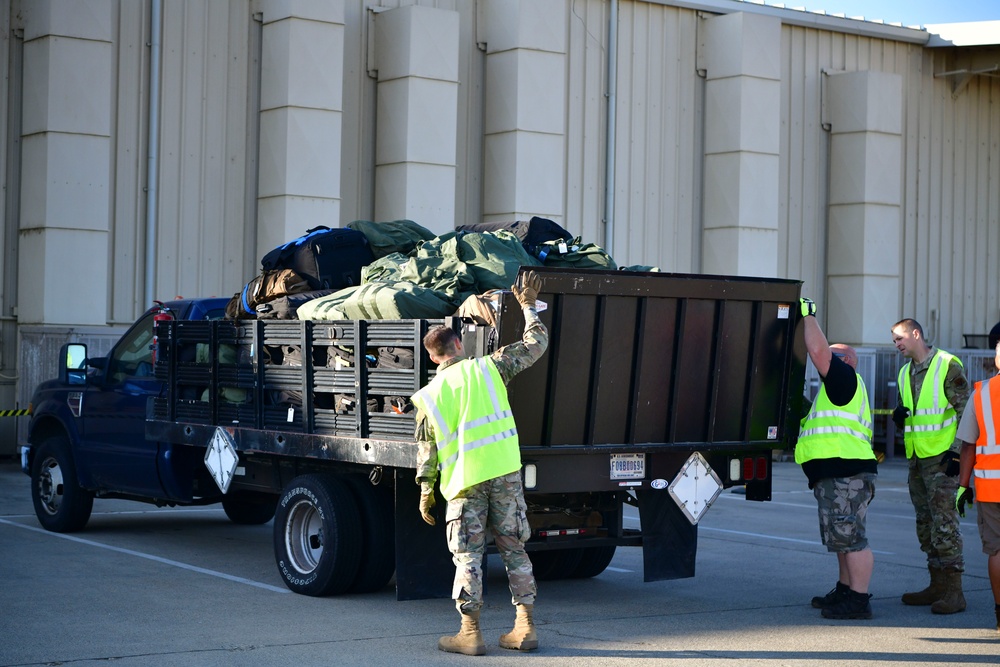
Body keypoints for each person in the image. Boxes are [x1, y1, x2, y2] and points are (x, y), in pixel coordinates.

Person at [411, 270, 548, 656]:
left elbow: (427, 449)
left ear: (433, 356)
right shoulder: (491, 367)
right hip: (505, 473)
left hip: (464, 483)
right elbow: (536, 343)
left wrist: (425, 491)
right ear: (459, 344)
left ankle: (469, 633)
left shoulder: (429, 396)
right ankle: (524, 628)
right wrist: (528, 306)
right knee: (514, 550)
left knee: (469, 556)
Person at [796, 297, 878, 619]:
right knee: (842, 537)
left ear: (844, 360)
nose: (823, 360)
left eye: (833, 355)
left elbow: (818, 351)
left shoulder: (843, 380)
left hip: (847, 474)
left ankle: (858, 600)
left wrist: (808, 316)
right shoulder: (836, 392)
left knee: (852, 538)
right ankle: (845, 591)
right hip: (840, 474)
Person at [891, 318, 971, 614]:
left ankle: (954, 592)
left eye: (900, 338)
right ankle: (936, 584)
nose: (897, 345)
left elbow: (966, 411)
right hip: (917, 459)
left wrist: (956, 453)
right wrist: (899, 417)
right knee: (925, 525)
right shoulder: (904, 373)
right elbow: (916, 413)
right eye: (894, 341)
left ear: (916, 334)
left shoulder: (947, 365)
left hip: (942, 460)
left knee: (944, 525)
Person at [955, 341, 1000, 634]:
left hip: (991, 487)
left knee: (997, 551)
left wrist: (962, 486)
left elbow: (968, 445)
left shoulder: (982, 393)